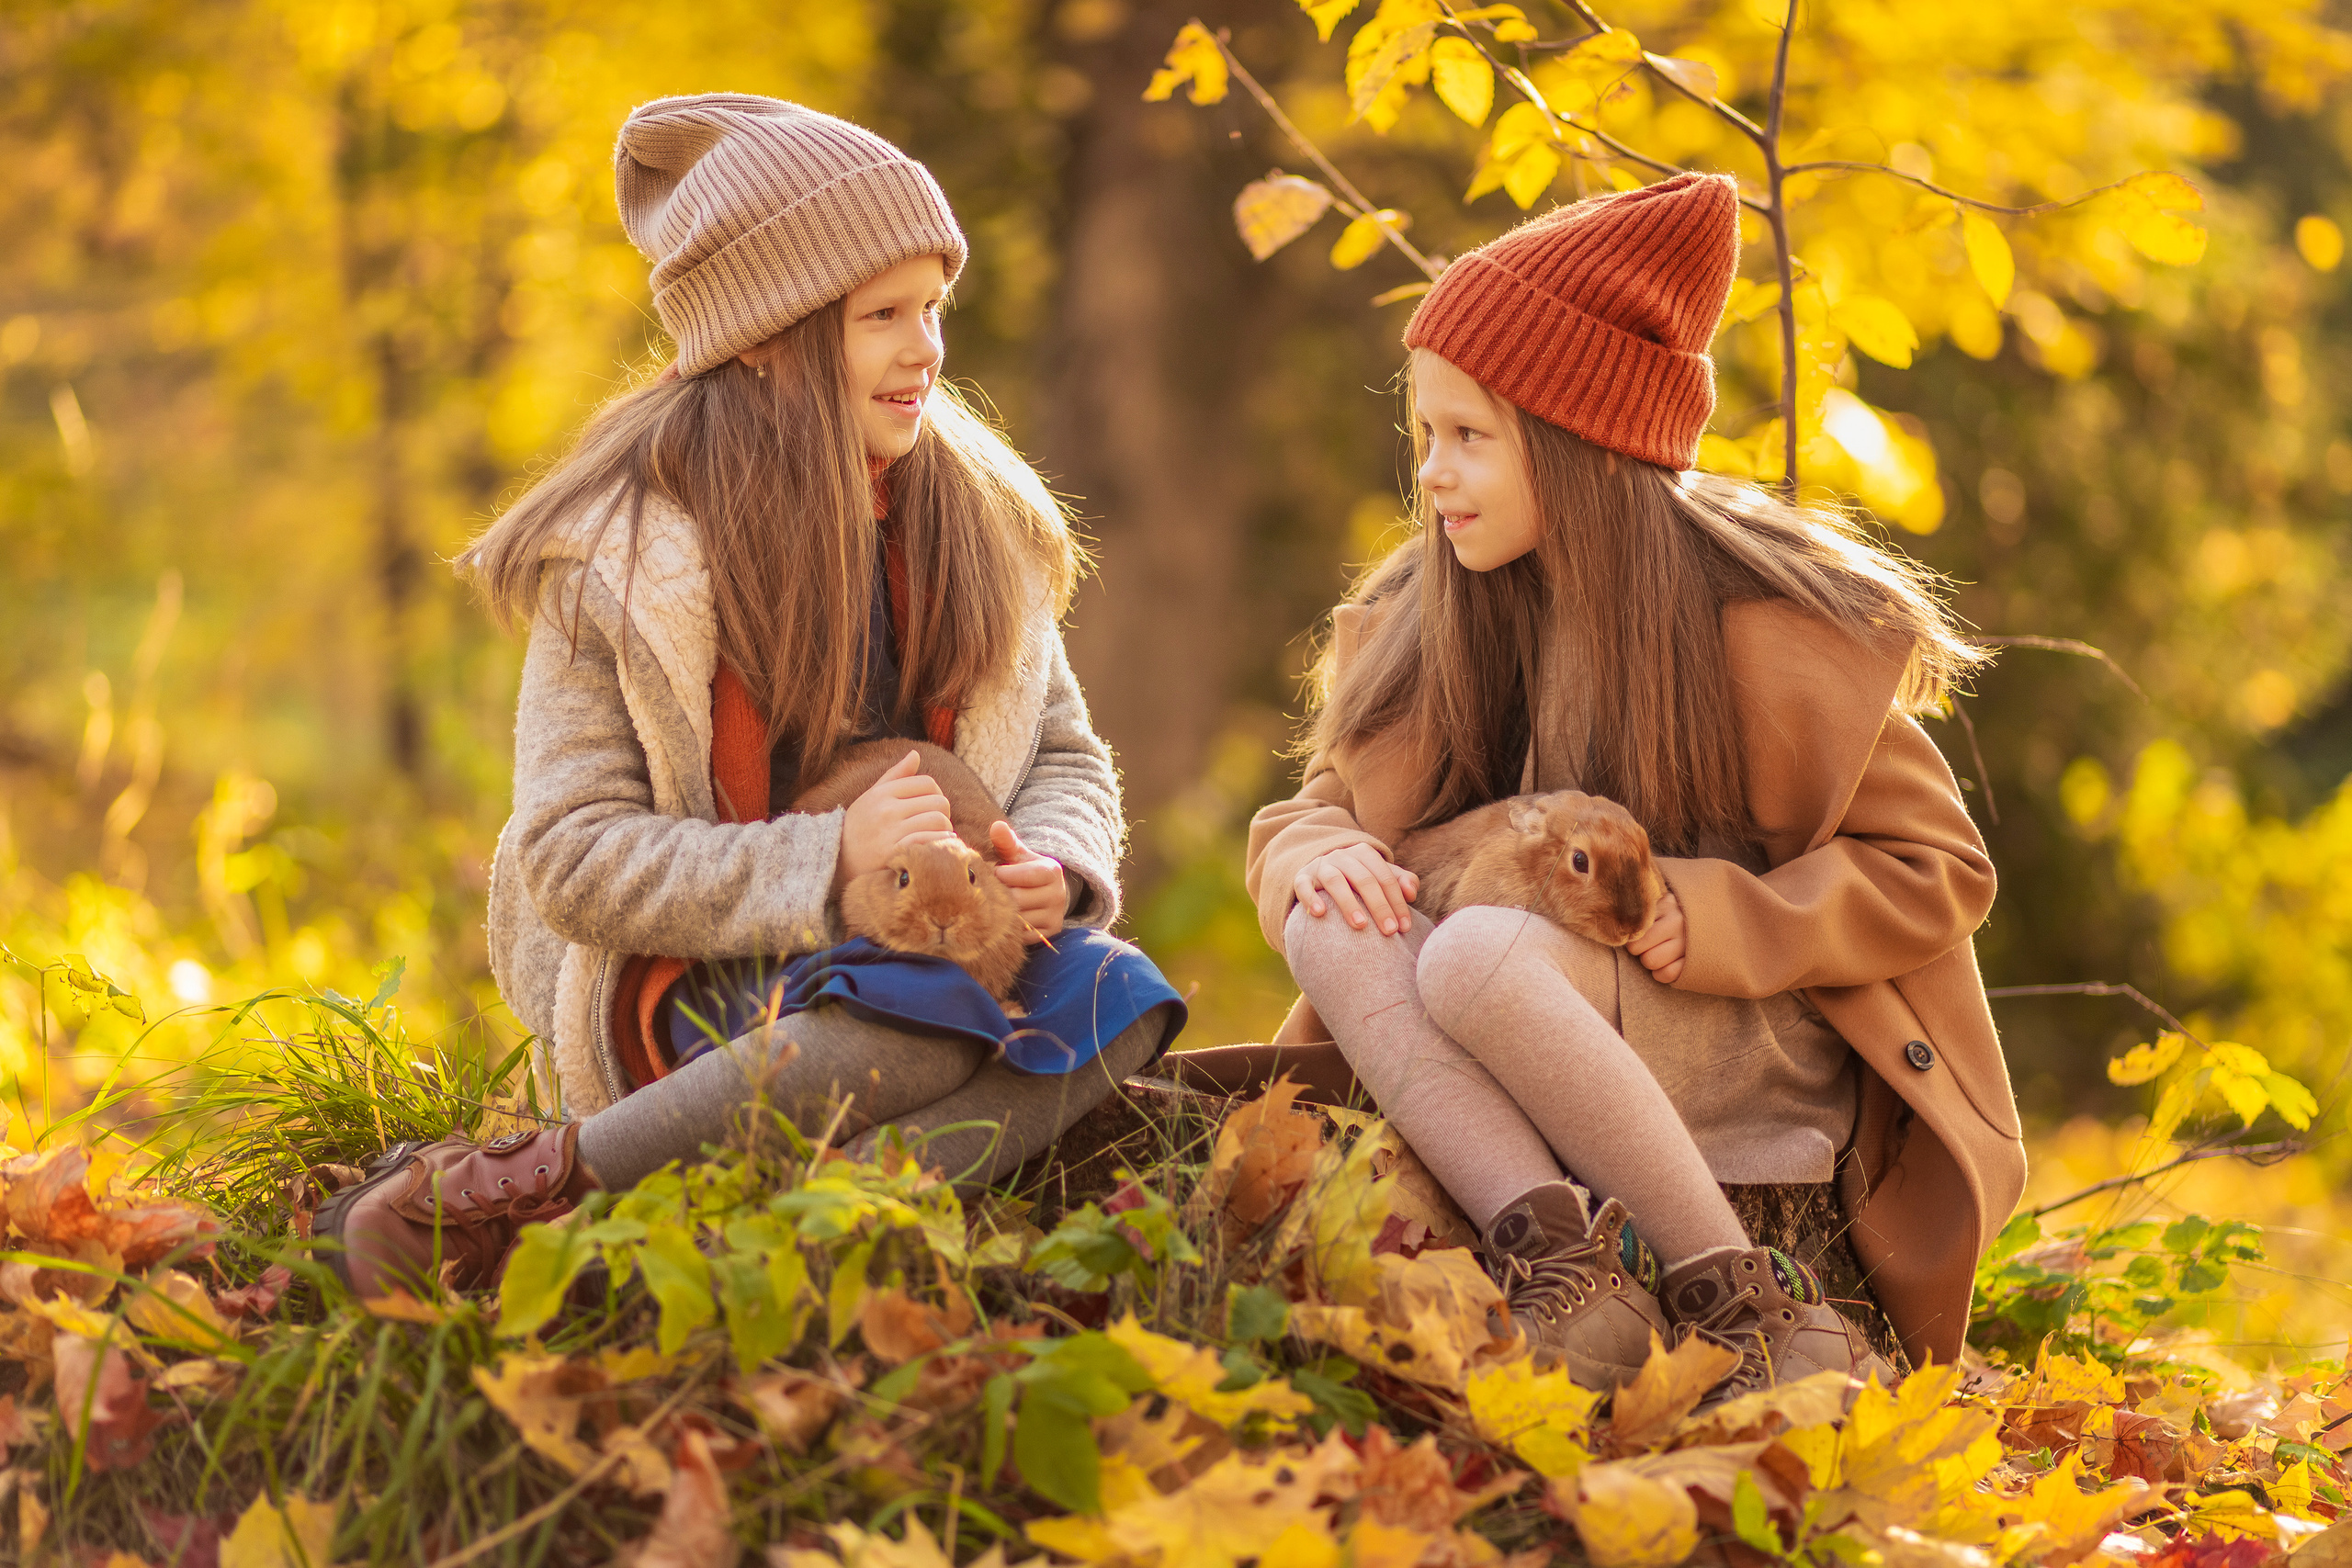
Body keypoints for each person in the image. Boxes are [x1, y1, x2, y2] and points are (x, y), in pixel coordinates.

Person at [317, 95, 1181, 1298]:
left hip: (931, 942)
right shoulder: (623, 556)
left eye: (932, 307)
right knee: (911, 1028)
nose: (926, 348)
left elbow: (1069, 757)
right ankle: (541, 1192)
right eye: (882, 316)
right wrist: (827, 860)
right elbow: (569, 856)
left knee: (1123, 1001)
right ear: (766, 337)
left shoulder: (978, 521)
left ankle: (800, 1229)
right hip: (702, 969)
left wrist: (1052, 862)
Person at [1188, 173, 2023, 1396]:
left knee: (1473, 955)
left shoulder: (1760, 628)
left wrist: (1732, 916)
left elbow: (1943, 871)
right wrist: (1306, 851)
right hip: (1519, 1000)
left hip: (1729, 1027)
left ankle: (1740, 1294)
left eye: (1469, 437)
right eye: (1424, 436)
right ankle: (1563, 1261)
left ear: (1580, 441)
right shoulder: (1436, 615)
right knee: (1337, 911)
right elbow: (1319, 801)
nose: (1433, 472)